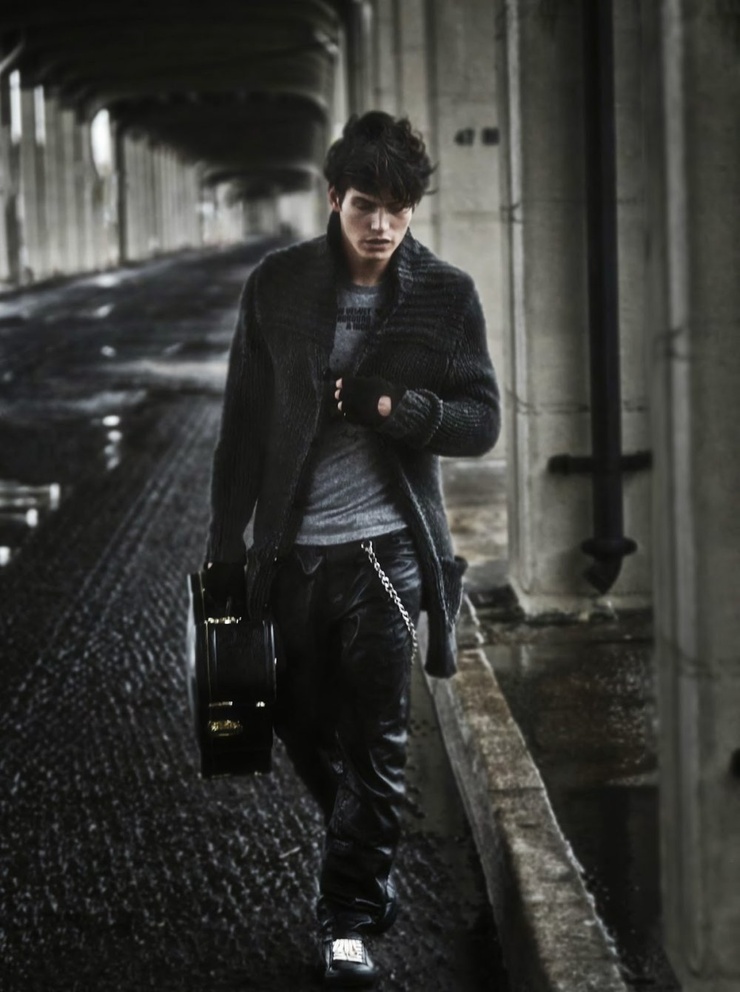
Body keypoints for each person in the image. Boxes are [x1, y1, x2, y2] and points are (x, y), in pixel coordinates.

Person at [205, 111, 500, 987]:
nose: (381, 225)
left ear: (414, 208)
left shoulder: (446, 295)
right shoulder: (278, 284)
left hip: (386, 557)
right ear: (332, 197)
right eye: (365, 204)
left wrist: (397, 410)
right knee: (298, 726)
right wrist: (226, 551)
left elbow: (481, 422)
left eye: (398, 208)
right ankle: (365, 838)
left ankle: (348, 921)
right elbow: (242, 426)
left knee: (379, 743)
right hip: (291, 557)